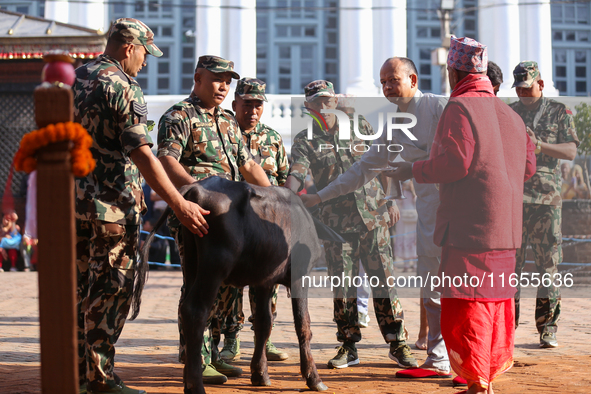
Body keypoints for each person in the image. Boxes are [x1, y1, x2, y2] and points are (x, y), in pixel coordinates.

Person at [386, 37, 536, 394]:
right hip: (506, 228)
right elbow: (528, 167)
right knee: (495, 303)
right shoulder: (510, 114)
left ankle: (478, 383)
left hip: (471, 226)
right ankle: (485, 376)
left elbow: (455, 162)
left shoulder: (461, 107)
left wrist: (414, 169)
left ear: (454, 72)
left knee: (468, 304)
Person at [72, 18, 209, 394]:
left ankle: (75, 373)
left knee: (79, 290)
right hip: (113, 208)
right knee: (111, 290)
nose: (146, 62)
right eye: (145, 53)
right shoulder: (124, 86)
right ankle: (99, 378)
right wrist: (178, 202)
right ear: (129, 47)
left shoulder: (75, 77)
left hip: (75, 205)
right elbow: (142, 154)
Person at [301, 58, 450, 378]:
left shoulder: (440, 107)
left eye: (392, 80)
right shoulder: (393, 125)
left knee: (463, 285)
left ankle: (470, 354)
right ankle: (438, 359)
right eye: (382, 82)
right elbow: (363, 170)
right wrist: (319, 196)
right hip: (422, 214)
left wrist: (392, 195)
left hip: (456, 208)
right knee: (431, 286)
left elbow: (466, 152)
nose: (386, 88)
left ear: (412, 79)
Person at [287, 80, 418, 370]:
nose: (323, 106)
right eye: (316, 102)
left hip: (374, 215)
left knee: (384, 279)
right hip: (336, 222)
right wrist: (287, 194)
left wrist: (391, 199)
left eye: (327, 100)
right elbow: (297, 172)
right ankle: (348, 345)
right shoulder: (304, 140)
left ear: (335, 102)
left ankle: (398, 343)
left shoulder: (359, 125)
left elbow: (382, 163)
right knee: (342, 285)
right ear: (308, 107)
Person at [156, 55, 271, 384]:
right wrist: (190, 198)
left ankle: (214, 353)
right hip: (199, 214)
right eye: (217, 79)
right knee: (198, 284)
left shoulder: (227, 120)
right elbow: (166, 160)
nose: (223, 86)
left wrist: (279, 199)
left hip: (235, 219)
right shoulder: (179, 116)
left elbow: (247, 165)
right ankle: (195, 356)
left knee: (228, 287)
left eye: (228, 81)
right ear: (198, 77)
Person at [211, 77, 290, 363]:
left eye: (258, 105)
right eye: (247, 104)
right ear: (235, 105)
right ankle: (230, 339)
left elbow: (281, 181)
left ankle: (263, 338)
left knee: (268, 284)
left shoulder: (272, 138)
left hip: (265, 227)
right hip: (231, 225)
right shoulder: (224, 133)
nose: (253, 111)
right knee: (228, 286)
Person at [510, 60, 579, 348]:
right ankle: (506, 327)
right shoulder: (510, 112)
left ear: (540, 83)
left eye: (528, 88)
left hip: (546, 201)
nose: (523, 93)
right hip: (513, 199)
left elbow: (571, 150)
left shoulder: (558, 111)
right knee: (509, 268)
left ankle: (547, 328)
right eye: (519, 89)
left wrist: (539, 146)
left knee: (547, 265)